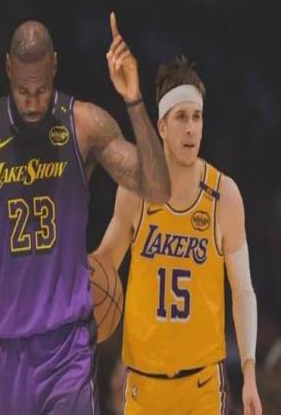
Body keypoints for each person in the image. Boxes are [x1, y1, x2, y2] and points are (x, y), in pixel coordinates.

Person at [0, 13, 171, 415]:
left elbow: (157, 189)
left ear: (55, 66)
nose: (32, 102)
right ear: (8, 69)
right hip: (8, 348)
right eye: (22, 91)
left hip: (69, 346)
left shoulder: (84, 125)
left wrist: (133, 100)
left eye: (41, 90)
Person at [92, 55, 262, 414]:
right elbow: (105, 262)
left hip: (201, 387)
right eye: (181, 117)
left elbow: (243, 290)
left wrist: (249, 372)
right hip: (143, 385)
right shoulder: (135, 191)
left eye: (197, 117)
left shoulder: (224, 195)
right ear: (162, 127)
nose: (191, 128)